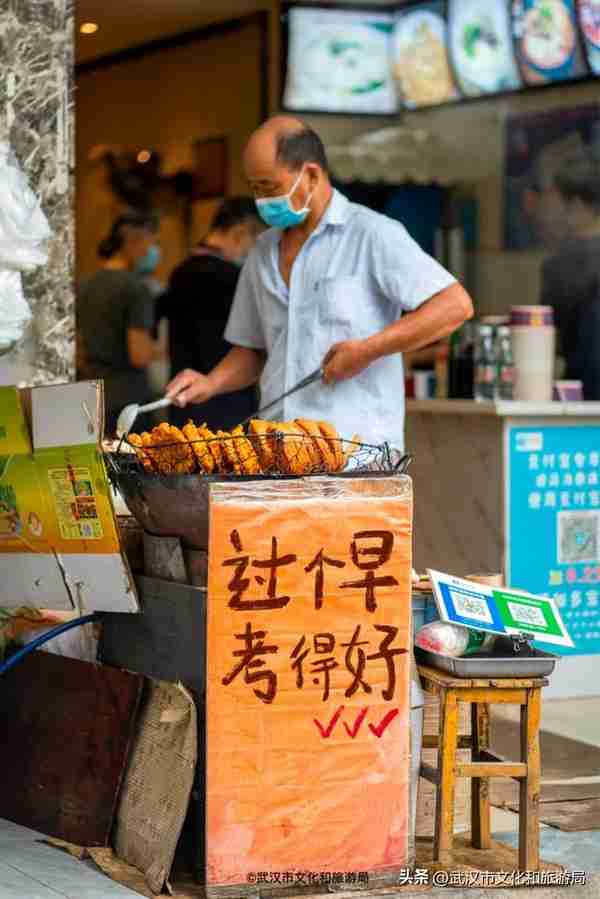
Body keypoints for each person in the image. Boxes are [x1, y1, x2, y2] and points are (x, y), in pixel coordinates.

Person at [167, 117, 473, 450]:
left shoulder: (371, 234)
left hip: (355, 454)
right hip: (276, 450)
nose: (260, 200)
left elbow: (454, 305)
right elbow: (253, 349)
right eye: (254, 188)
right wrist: (210, 383)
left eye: (268, 187)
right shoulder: (262, 251)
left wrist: (368, 350)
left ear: (310, 174)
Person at [156, 197, 263, 430]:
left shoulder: (179, 272)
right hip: (228, 405)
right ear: (240, 233)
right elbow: (252, 345)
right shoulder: (232, 278)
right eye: (255, 239)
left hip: (183, 398)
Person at [78, 211, 164, 434]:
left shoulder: (84, 285)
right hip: (128, 402)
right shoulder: (135, 289)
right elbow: (140, 355)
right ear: (133, 241)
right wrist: (160, 350)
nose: (151, 252)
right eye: (150, 242)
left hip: (90, 396)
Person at [541, 156, 600, 400]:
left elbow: (546, 338)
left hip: (585, 396)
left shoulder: (560, 264)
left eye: (556, 202)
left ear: (576, 205)